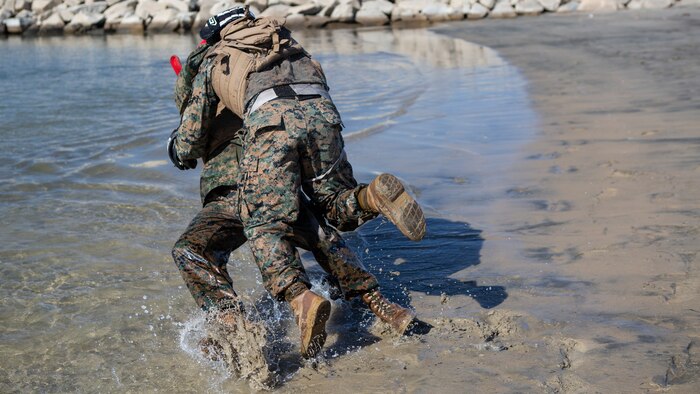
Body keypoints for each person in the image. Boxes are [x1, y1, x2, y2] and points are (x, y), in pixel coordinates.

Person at [167, 6, 426, 359]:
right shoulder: (279, 44)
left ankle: (236, 321)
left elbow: (189, 139)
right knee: (323, 225)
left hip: (241, 181)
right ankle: (385, 305)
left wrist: (177, 147)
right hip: (315, 119)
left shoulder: (213, 65)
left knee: (202, 245)